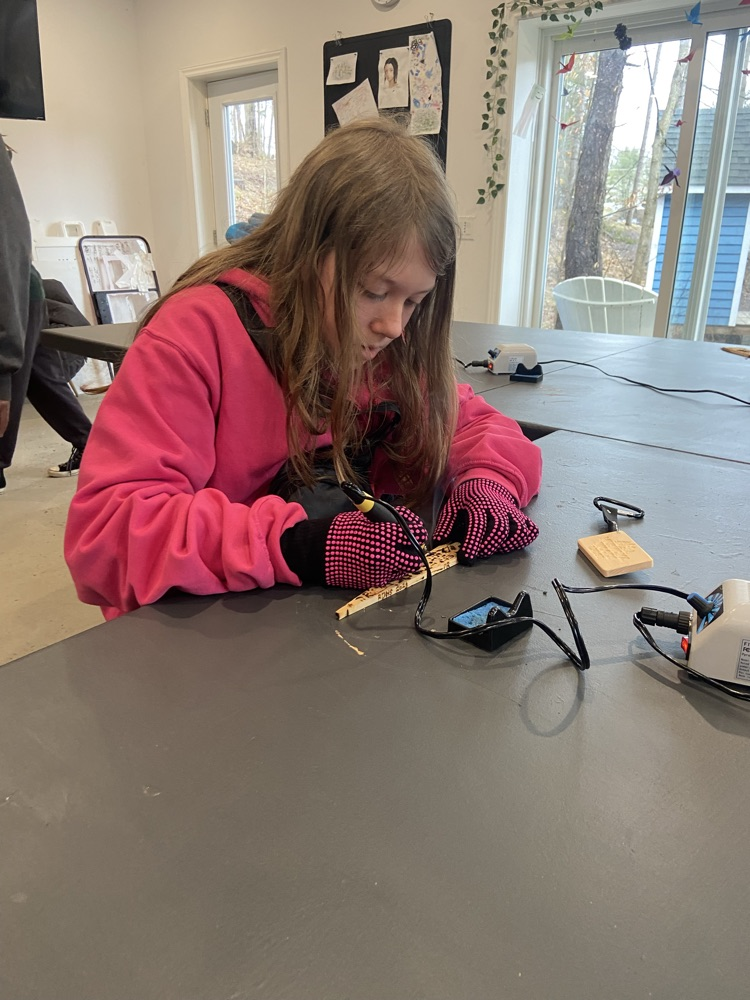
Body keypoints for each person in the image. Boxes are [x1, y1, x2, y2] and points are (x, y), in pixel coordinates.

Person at [65, 117, 542, 620]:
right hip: (208, 640)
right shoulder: (194, 336)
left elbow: (473, 422)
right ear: (307, 252)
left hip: (328, 629)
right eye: (373, 292)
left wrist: (488, 481)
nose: (393, 325)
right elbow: (106, 535)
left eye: (414, 301)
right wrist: (300, 544)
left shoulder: (387, 351)